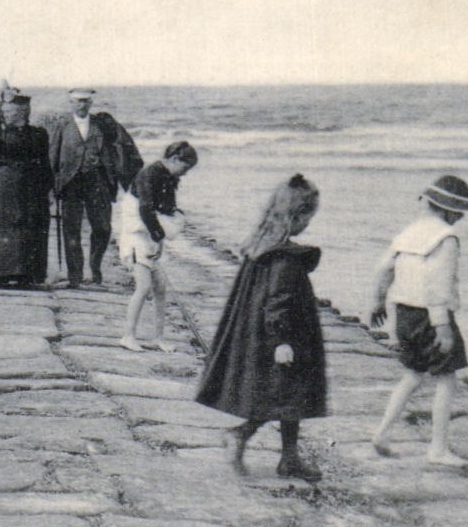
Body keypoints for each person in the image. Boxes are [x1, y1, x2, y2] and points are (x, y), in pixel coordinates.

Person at [196, 174, 327, 482]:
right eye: (308, 217)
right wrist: (282, 341)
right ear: (298, 216)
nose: (307, 225)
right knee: (283, 394)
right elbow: (277, 303)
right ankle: (241, 434)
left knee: (289, 394)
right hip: (282, 338)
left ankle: (289, 457)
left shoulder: (262, 246)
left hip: (260, 335)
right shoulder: (283, 258)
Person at [369, 175, 468, 467]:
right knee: (447, 381)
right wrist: (443, 328)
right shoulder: (445, 238)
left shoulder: (409, 232)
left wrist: (377, 301)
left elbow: (384, 268)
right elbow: (439, 287)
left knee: (413, 374)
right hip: (431, 316)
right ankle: (438, 449)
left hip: (404, 314)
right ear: (447, 209)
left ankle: (382, 434)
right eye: (458, 212)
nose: (460, 218)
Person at [48, 88, 142, 288]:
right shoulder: (62, 125)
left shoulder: (102, 125)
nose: (81, 105)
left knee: (102, 228)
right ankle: (75, 276)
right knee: (71, 229)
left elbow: (119, 147)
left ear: (90, 104)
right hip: (70, 184)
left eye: (85, 101)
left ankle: (95, 271)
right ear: (71, 103)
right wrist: (51, 185)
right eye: (77, 101)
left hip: (98, 182)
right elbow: (52, 158)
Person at [119, 141, 198, 352]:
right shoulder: (149, 174)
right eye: (184, 168)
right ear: (174, 160)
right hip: (135, 235)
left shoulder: (169, 177)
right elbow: (145, 210)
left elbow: (167, 209)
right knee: (143, 287)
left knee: (160, 289)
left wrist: (160, 239)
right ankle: (128, 335)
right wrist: (159, 235)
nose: (184, 174)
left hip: (150, 236)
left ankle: (158, 337)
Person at [0, 94, 52, 287]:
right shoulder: (0, 135)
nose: (5, 115)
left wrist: (49, 189)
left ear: (23, 112)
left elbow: (45, 163)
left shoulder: (38, 134)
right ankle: (3, 272)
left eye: (10, 111)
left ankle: (28, 273)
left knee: (30, 226)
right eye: (5, 111)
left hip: (32, 186)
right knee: (5, 227)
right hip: (6, 186)